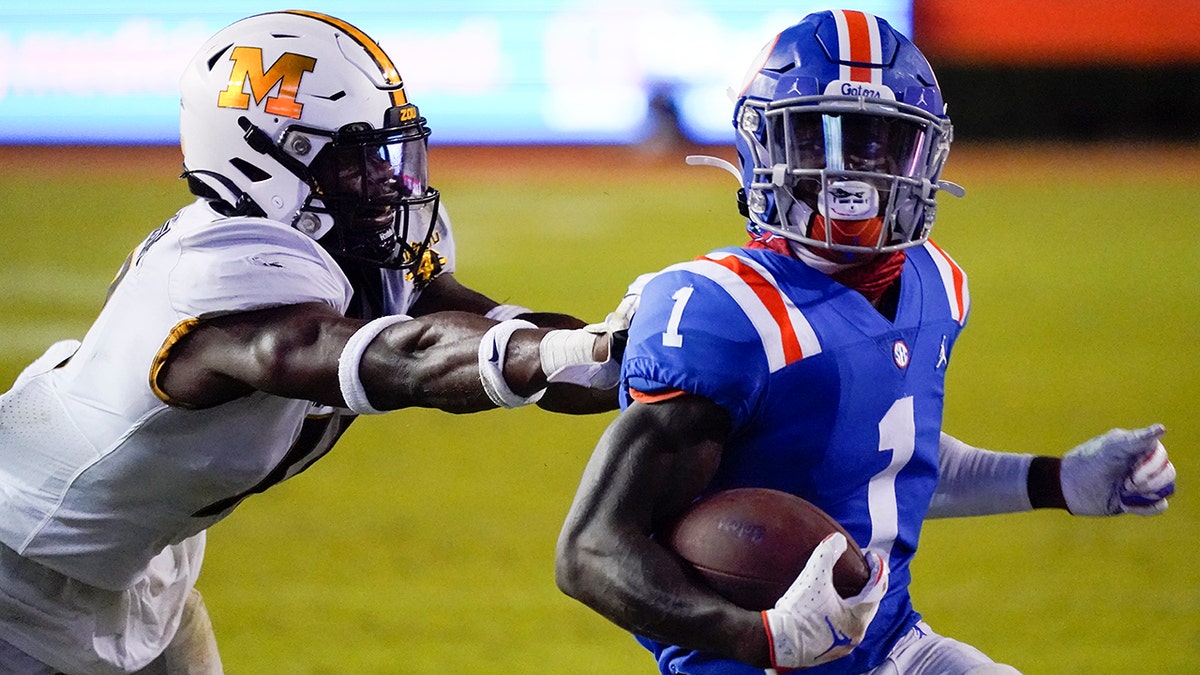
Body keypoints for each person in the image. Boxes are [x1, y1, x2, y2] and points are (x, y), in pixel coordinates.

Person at [0, 10, 625, 674]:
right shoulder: (215, 266)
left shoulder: (343, 246)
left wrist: (630, 352)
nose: (388, 180)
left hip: (141, 558)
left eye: (386, 152)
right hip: (23, 563)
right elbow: (405, 357)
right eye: (355, 159)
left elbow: (496, 330)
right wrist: (565, 352)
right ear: (267, 161)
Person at [554, 9, 1176, 675]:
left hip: (897, 643)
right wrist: (760, 636)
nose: (850, 176)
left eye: (875, 143)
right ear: (764, 145)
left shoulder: (937, 282)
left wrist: (1057, 478)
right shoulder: (725, 310)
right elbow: (590, 549)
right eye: (820, 142)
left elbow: (884, 462)